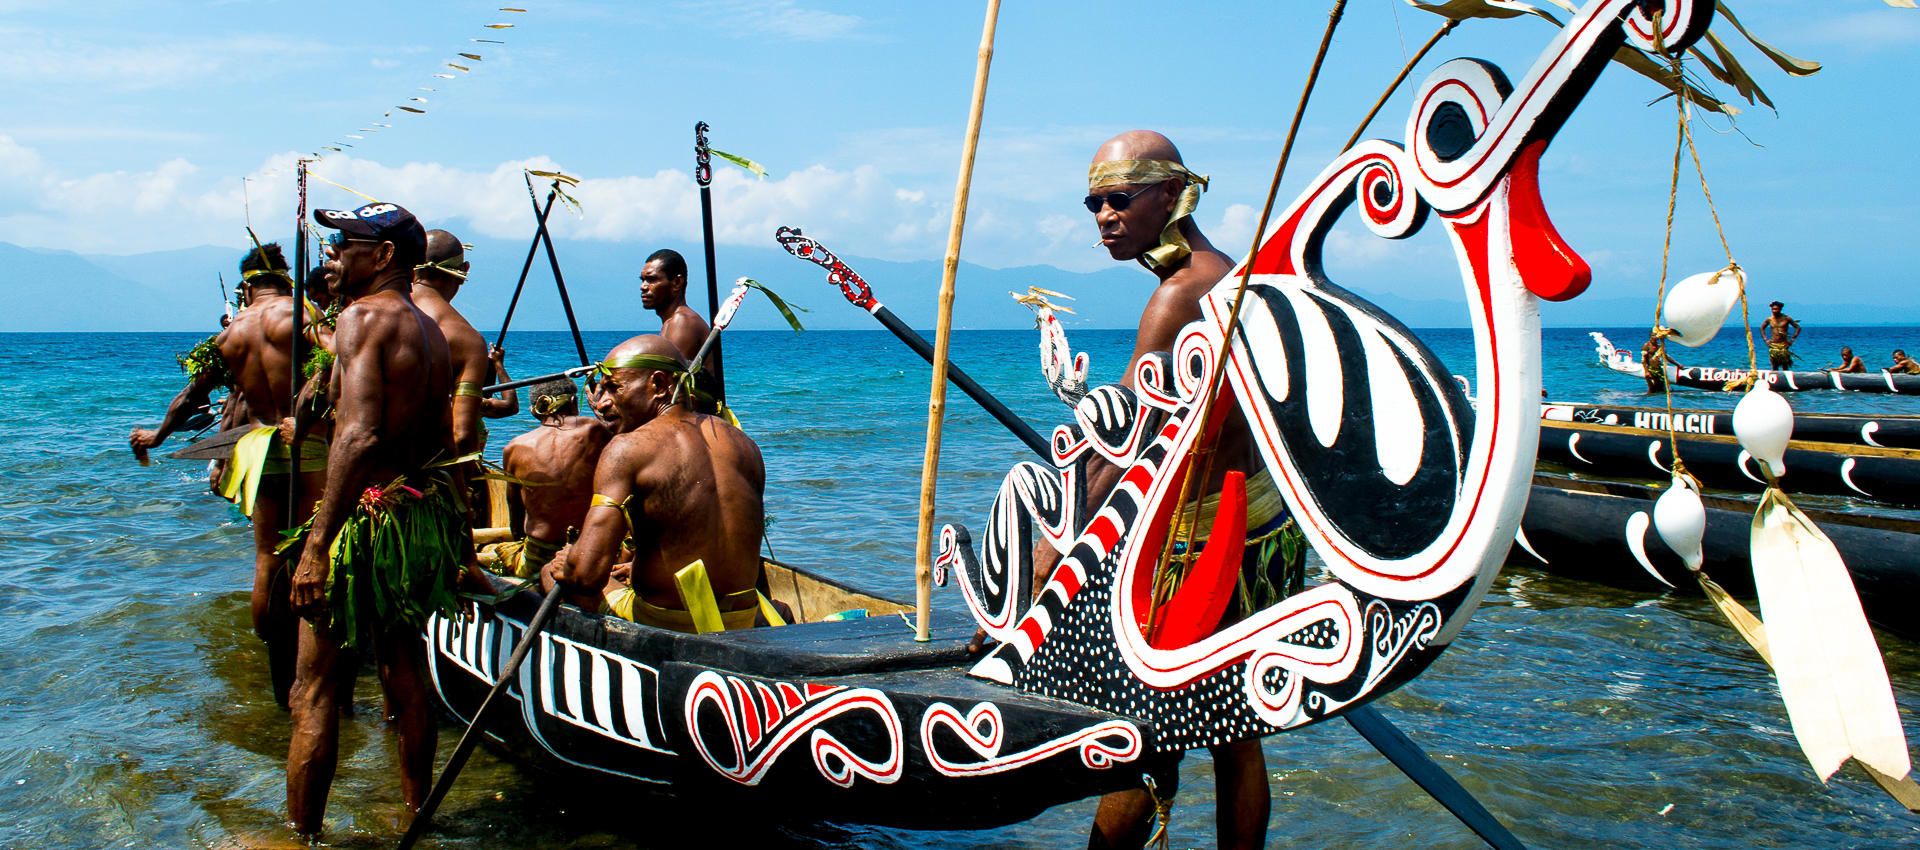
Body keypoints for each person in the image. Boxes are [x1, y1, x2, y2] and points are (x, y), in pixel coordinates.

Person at [1062, 131, 1284, 850]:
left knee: (1141, 727)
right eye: (1094, 202)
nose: (1104, 216)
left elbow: (1116, 449)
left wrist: (1058, 547)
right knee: (1238, 735)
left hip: (1194, 546)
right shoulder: (1236, 275)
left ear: (1170, 193)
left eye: (1120, 199)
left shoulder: (1174, 298)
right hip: (1264, 524)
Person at [284, 201, 475, 834]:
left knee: (311, 690)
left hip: (365, 522)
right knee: (406, 672)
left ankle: (301, 838)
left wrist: (317, 546)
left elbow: (360, 436)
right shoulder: (429, 331)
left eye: (346, 244)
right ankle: (418, 815)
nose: (333, 255)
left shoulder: (365, 318)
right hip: (414, 516)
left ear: (385, 254)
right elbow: (446, 443)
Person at [129, 243, 325, 708]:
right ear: (285, 278)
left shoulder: (230, 334)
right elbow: (339, 361)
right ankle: (315, 669)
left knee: (267, 560)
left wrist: (156, 436)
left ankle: (276, 666)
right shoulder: (302, 315)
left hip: (255, 451)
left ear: (245, 287)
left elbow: (191, 395)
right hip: (304, 443)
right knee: (317, 556)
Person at [548, 335, 777, 633]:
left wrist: (569, 560)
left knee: (550, 571)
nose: (603, 402)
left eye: (614, 388)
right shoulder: (744, 443)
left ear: (658, 385)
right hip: (739, 621)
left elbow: (587, 576)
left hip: (668, 623)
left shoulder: (626, 449)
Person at [485, 378, 612, 579]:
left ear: (534, 411)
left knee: (495, 553)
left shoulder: (514, 447)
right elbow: (624, 439)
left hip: (539, 555)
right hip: (588, 550)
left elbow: (514, 510)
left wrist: (519, 541)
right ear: (572, 402)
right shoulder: (593, 428)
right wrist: (598, 409)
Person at [412, 229, 520, 458]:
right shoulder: (465, 338)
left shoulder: (366, 314)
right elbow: (462, 437)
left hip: (365, 477)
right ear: (464, 270)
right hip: (427, 474)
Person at [639, 249, 709, 360]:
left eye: (651, 279)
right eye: (642, 280)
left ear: (677, 283)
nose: (643, 286)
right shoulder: (672, 322)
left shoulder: (682, 321)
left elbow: (673, 376)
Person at [1759, 301, 1801, 370]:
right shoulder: (1769, 319)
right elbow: (1762, 328)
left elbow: (1798, 327)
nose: (1774, 311)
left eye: (1776, 309)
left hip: (1783, 345)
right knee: (1774, 365)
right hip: (1773, 345)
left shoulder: (1786, 318)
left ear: (1780, 309)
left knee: (1784, 365)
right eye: (1773, 309)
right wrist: (1766, 340)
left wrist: (1791, 340)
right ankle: (1776, 379)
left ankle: (1785, 379)